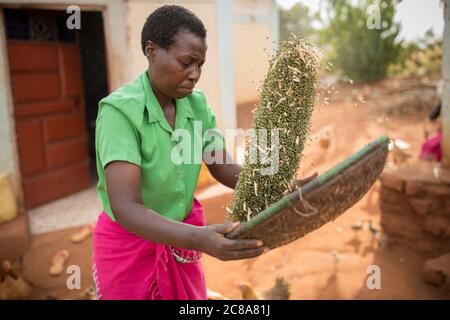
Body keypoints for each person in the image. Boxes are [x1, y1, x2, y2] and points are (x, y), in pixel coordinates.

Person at [92, 5, 316, 300]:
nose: (194, 74)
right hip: (131, 248)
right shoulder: (120, 112)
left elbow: (222, 167)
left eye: (200, 65)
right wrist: (200, 239)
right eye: (186, 62)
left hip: (181, 242)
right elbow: (126, 207)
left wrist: (276, 186)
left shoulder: (195, 106)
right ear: (152, 51)